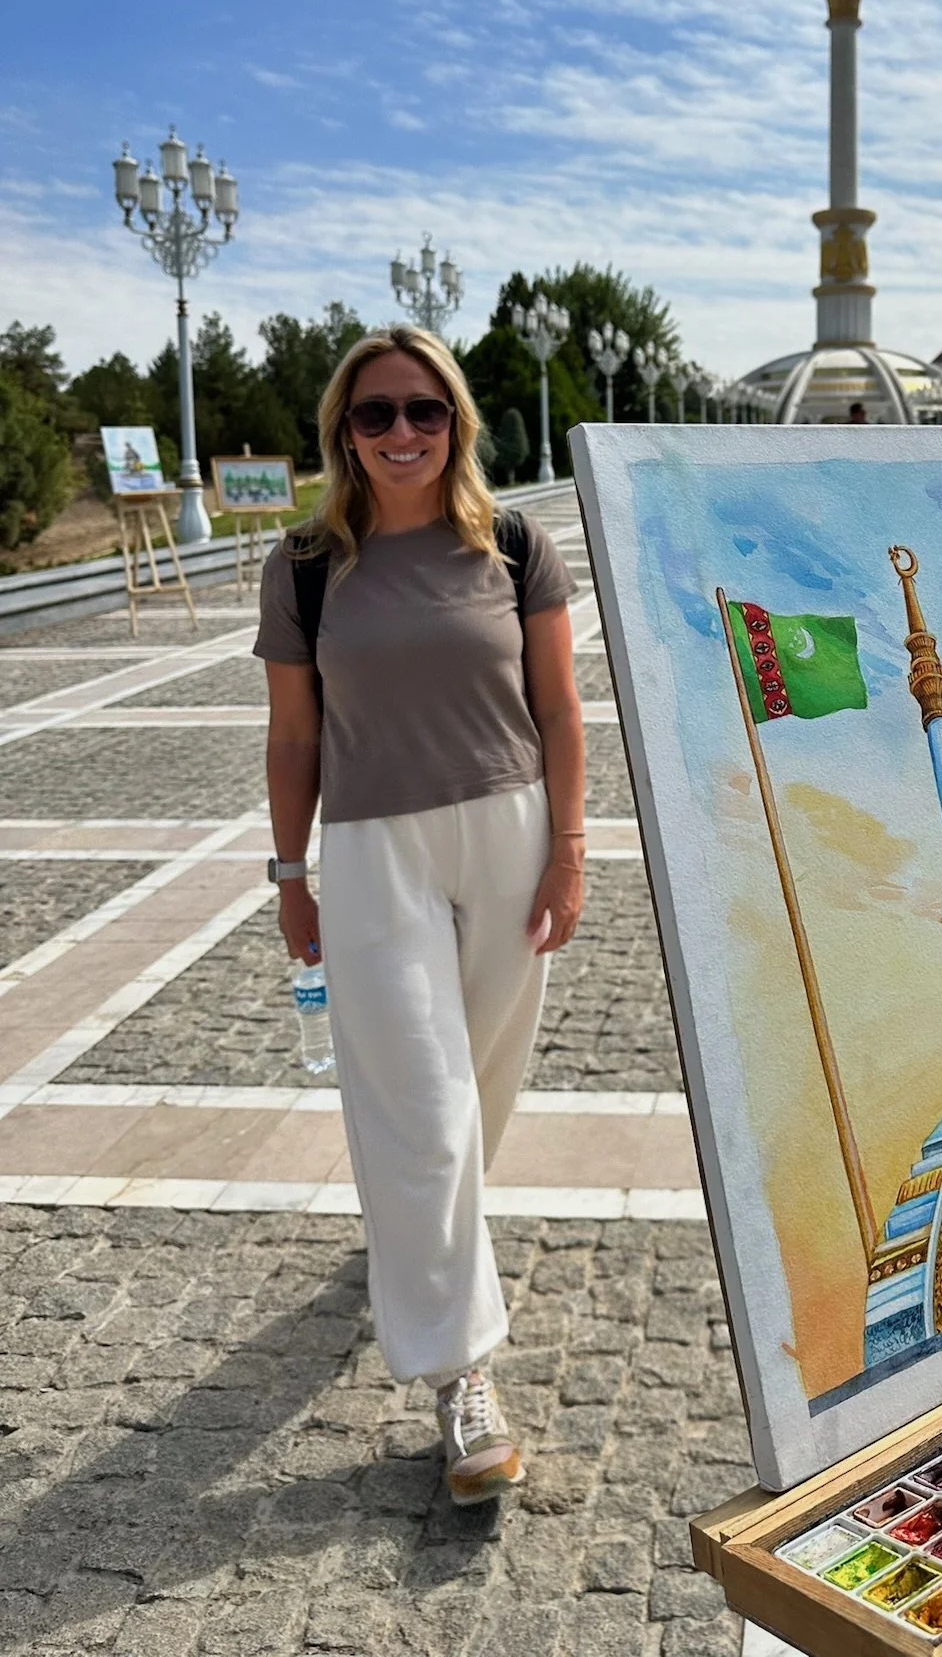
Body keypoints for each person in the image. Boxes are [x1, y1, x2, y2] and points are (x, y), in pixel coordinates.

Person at [255, 323, 584, 1505]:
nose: (402, 431)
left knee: (480, 1090)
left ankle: (415, 1245)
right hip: (372, 852)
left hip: (509, 838)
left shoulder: (515, 546)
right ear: (344, 431)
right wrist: (289, 874)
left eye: (424, 408)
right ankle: (462, 1376)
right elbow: (295, 735)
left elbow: (560, 709)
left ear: (457, 421)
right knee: (427, 1113)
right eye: (376, 412)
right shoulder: (306, 565)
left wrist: (570, 850)